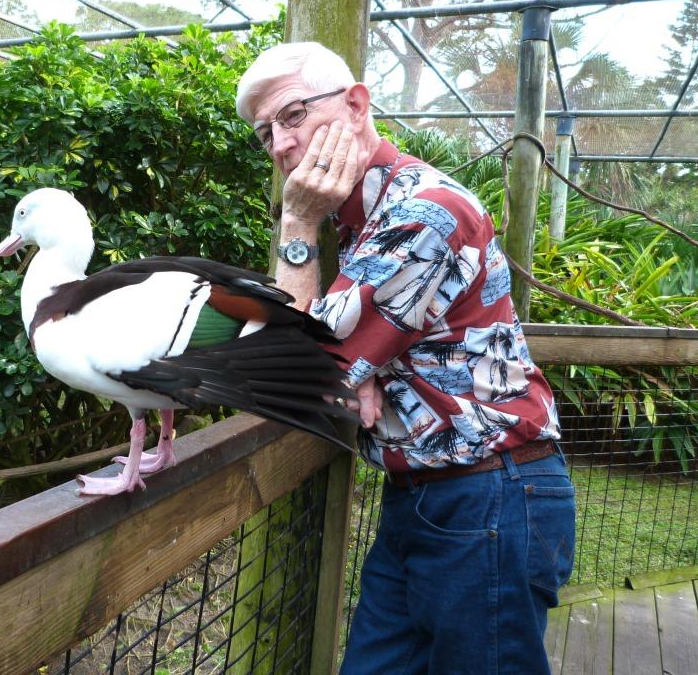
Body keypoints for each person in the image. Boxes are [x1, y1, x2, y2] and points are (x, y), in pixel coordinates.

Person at [235, 41, 576, 675]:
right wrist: (364, 370)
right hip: (425, 498)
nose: (280, 146)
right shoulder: (367, 220)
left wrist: (298, 227)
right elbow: (320, 357)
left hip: (489, 496)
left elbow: (291, 368)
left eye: (293, 115)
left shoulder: (424, 212)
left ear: (357, 105)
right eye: (264, 135)